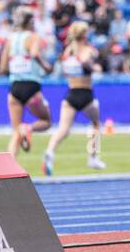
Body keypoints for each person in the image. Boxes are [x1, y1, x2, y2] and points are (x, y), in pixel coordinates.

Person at [42, 21, 107, 175]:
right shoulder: (88, 50)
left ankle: (50, 151)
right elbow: (87, 62)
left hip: (70, 93)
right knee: (96, 124)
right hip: (85, 94)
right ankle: (93, 157)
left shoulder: (67, 51)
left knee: (63, 129)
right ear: (84, 35)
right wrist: (95, 68)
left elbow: (64, 71)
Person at [0, 6, 54, 157]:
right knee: (46, 121)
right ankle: (29, 129)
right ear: (30, 21)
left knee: (15, 132)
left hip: (14, 87)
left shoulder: (11, 38)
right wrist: (46, 66)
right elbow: (35, 53)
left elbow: (3, 66)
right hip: (31, 86)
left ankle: (8, 169)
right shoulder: (33, 37)